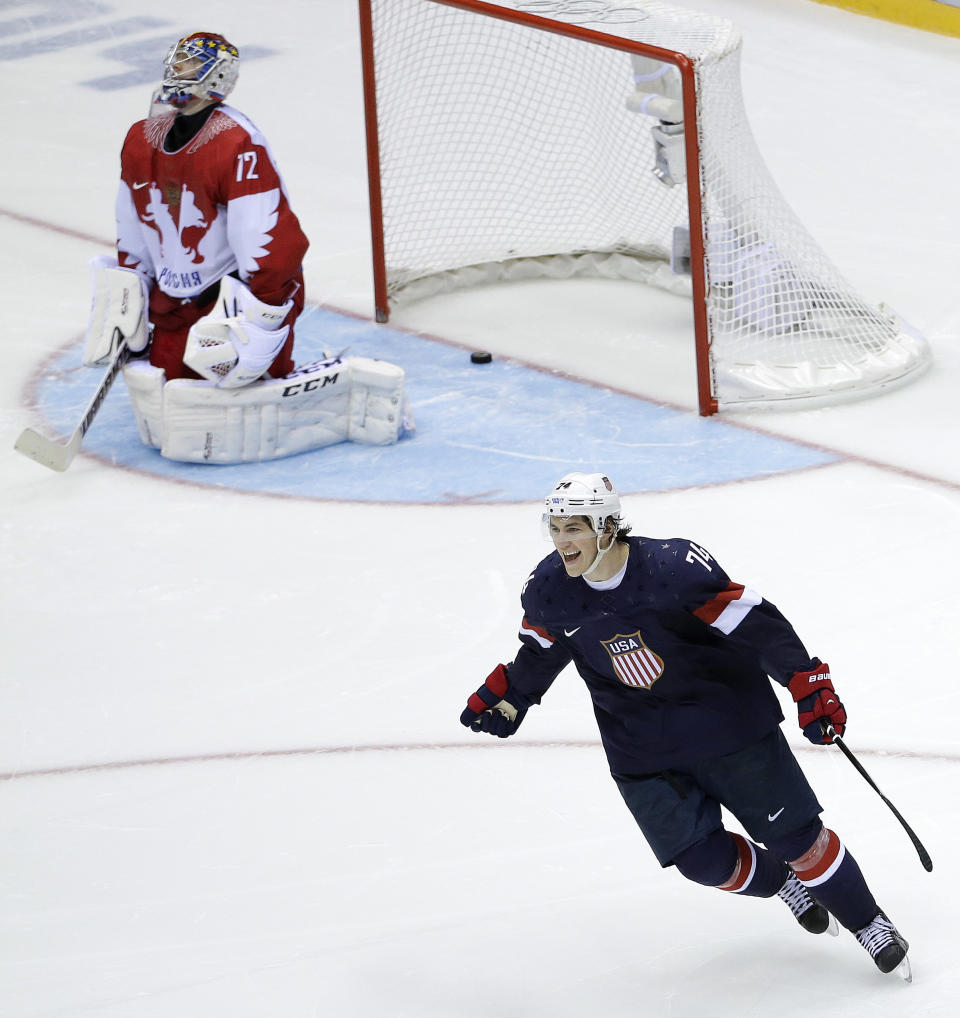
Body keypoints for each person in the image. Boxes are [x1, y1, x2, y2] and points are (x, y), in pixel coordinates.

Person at [460, 471, 911, 979]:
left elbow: (755, 623)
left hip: (728, 725)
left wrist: (807, 682)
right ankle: (784, 885)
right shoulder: (550, 589)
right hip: (641, 746)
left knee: (798, 840)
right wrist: (511, 693)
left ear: (607, 526)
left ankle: (870, 923)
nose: (563, 541)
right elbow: (542, 649)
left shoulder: (673, 569)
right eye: (556, 528)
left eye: (575, 528)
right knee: (702, 861)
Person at [113, 30, 309, 384]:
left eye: (189, 66)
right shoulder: (141, 140)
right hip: (175, 305)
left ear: (217, 76)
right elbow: (132, 224)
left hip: (232, 305)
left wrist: (262, 316)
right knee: (168, 391)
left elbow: (264, 236)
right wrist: (131, 290)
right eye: (177, 63)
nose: (177, 72)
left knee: (236, 395)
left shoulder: (236, 142)